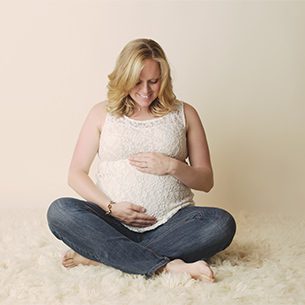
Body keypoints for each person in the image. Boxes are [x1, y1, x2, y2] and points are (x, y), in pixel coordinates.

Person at [47, 38, 236, 282]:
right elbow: (76, 173)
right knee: (60, 211)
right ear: (123, 78)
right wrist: (111, 207)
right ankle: (166, 266)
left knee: (221, 224)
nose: (145, 90)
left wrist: (172, 166)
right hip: (110, 222)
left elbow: (206, 180)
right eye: (137, 81)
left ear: (164, 79)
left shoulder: (185, 113)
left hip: (172, 224)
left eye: (153, 81)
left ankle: (106, 255)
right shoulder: (101, 113)